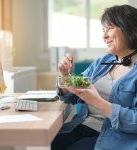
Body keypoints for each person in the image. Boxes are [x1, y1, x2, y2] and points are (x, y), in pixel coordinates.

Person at [51, 4, 137, 150]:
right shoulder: (101, 63)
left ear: (131, 28)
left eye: (109, 28)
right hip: (80, 126)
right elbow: (70, 96)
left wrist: (97, 102)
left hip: (114, 138)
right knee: (49, 143)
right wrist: (66, 76)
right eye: (103, 30)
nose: (104, 36)